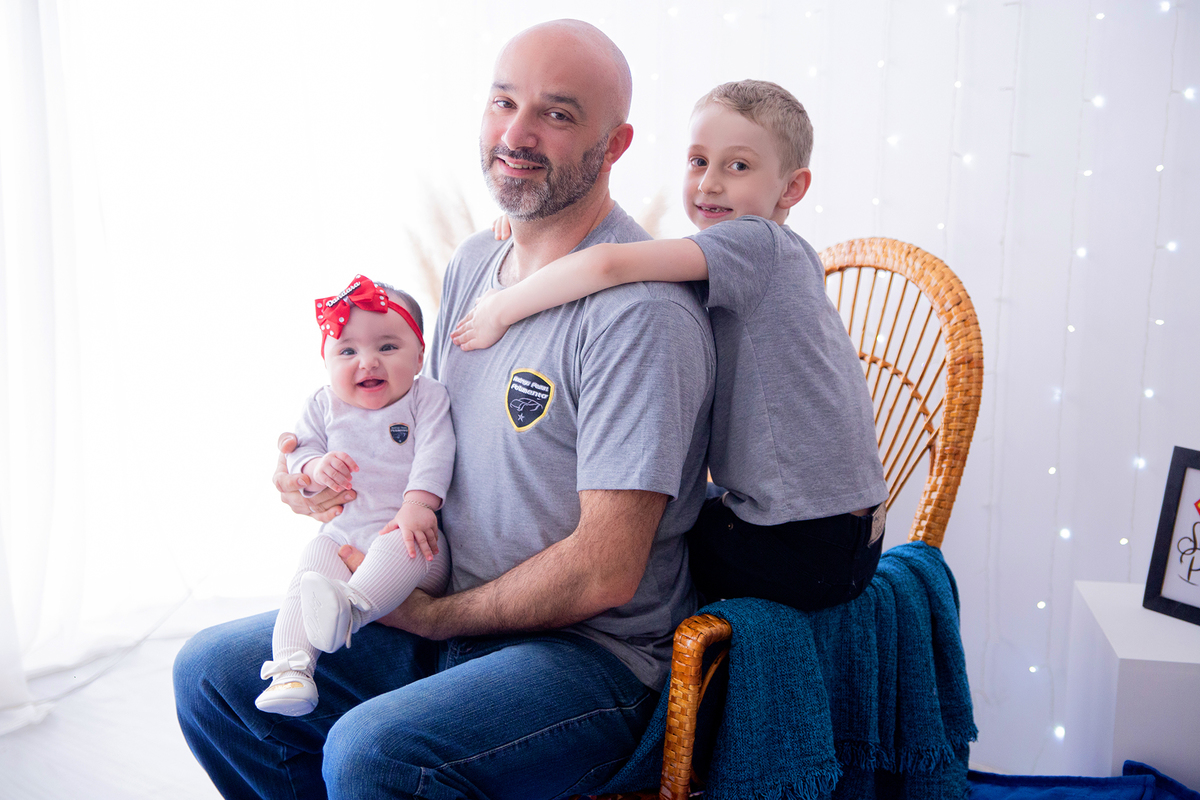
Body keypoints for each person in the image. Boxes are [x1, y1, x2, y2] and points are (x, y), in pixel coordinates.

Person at [173, 19, 716, 800]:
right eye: (503, 103)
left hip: (587, 657)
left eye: (557, 115)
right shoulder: (473, 263)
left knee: (376, 755)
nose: (517, 134)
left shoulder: (640, 318)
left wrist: (435, 619)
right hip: (447, 605)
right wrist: (320, 478)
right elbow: (424, 432)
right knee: (211, 677)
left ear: (616, 144)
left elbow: (605, 571)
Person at [452, 80, 888, 613]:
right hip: (844, 530)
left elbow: (608, 262)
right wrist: (525, 222)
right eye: (698, 161)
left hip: (802, 542)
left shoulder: (754, 243)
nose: (710, 184)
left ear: (792, 188)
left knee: (645, 545)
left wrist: (504, 306)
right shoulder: (778, 256)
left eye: (739, 167)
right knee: (669, 508)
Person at [254, 275, 454, 718]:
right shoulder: (322, 405)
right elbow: (299, 452)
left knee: (400, 542)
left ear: (420, 354)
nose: (368, 362)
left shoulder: (427, 397)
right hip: (344, 533)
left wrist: (418, 505)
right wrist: (312, 467)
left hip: (414, 540)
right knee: (309, 570)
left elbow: (437, 453)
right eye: (347, 351)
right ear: (325, 361)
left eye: (387, 347)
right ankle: (292, 670)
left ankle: (351, 609)